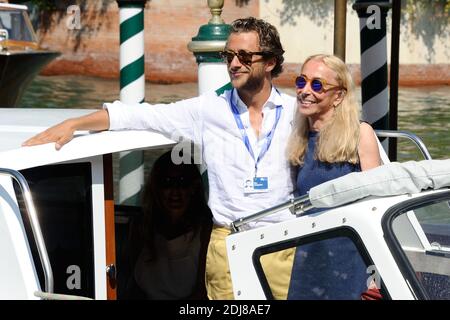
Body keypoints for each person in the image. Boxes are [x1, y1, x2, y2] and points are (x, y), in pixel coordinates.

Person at [23, 17, 297, 300]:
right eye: (228, 55)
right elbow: (140, 116)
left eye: (243, 56)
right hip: (228, 245)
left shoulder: (295, 112)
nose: (233, 64)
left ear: (270, 62)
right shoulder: (209, 109)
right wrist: (74, 123)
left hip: (284, 243)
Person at [286, 54, 381, 300]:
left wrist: (375, 277)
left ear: (338, 95)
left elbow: (377, 207)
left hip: (350, 257)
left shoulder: (360, 134)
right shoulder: (298, 138)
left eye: (317, 85)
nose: (305, 91)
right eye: (301, 82)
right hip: (308, 255)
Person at [125, 151, 212, 300]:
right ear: (156, 188)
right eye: (167, 182)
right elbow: (134, 286)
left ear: (193, 187)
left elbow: (203, 290)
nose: (175, 192)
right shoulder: (141, 226)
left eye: (183, 182)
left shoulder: (206, 229)